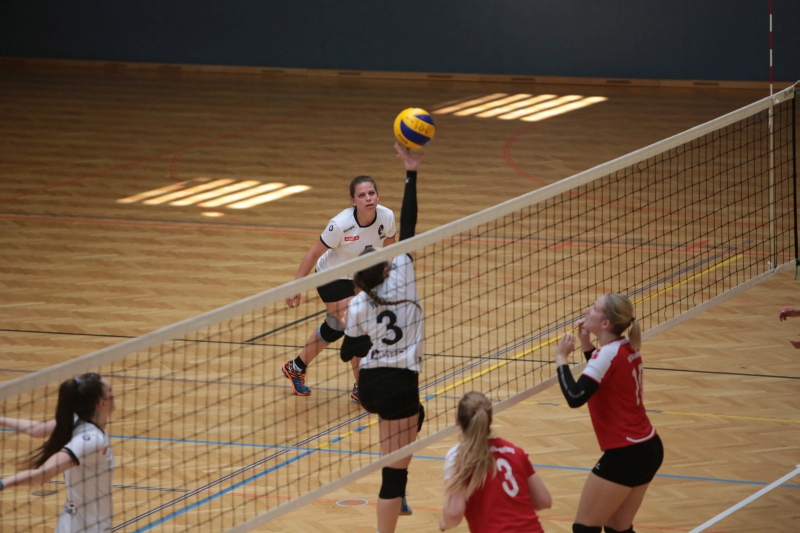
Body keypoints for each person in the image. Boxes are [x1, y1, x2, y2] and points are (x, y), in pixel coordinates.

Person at [340, 142, 424, 533]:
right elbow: (408, 226)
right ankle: (397, 494)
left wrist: (355, 330)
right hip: (399, 381)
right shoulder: (404, 273)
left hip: (370, 384)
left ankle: (397, 482)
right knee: (394, 472)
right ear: (388, 269)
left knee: (412, 418)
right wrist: (411, 172)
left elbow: (350, 348)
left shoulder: (358, 303)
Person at [282, 160, 398, 403]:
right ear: (353, 200)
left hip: (360, 278)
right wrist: (296, 286)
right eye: (362, 195)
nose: (368, 198)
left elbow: (389, 252)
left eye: (371, 193)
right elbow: (313, 254)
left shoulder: (386, 217)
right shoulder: (341, 224)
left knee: (335, 327)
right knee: (358, 325)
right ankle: (362, 388)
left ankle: (296, 366)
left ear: (378, 196)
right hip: (331, 276)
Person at [554, 293, 664, 533]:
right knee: (617, 528)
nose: (587, 310)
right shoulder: (625, 346)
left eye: (594, 308)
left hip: (627, 454)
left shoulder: (606, 354)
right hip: (647, 448)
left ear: (605, 323)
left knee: (585, 528)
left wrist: (561, 358)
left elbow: (575, 396)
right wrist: (586, 345)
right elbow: (604, 374)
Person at [0, 372, 116, 533]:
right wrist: (3, 483)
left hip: (74, 520)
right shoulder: (90, 440)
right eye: (111, 393)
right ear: (102, 404)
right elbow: (43, 474)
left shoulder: (77, 421)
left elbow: (38, 429)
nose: (114, 395)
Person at [439, 391, 552, 533]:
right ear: (490, 420)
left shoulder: (459, 456)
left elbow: (454, 513)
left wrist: (444, 522)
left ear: (457, 422)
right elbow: (544, 501)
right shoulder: (516, 452)